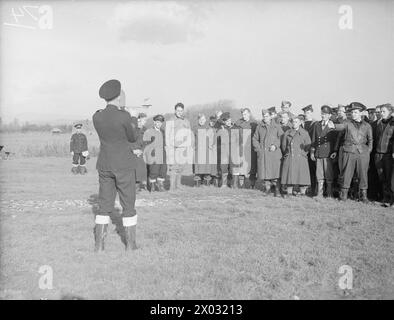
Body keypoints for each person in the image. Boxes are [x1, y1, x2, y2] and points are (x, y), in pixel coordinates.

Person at [92, 79, 139, 252]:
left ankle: (99, 246)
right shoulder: (124, 116)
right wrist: (133, 116)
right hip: (124, 165)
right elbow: (132, 137)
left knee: (104, 205)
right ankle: (131, 245)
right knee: (128, 204)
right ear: (119, 96)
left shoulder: (96, 116)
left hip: (104, 164)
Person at [329, 102, 373, 203]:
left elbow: (370, 140)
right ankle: (343, 196)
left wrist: (368, 152)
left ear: (361, 113)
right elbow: (340, 126)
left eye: (356, 112)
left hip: (363, 153)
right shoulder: (347, 124)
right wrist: (333, 126)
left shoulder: (367, 126)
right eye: (352, 112)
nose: (353, 114)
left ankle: (363, 196)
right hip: (349, 152)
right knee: (346, 174)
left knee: (363, 175)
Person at [252, 109, 283, 196]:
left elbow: (281, 138)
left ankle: (277, 190)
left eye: (267, 116)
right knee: (265, 173)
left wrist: (275, 145)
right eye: (263, 116)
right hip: (264, 154)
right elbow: (255, 139)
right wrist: (258, 149)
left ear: (270, 116)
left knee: (275, 172)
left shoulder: (277, 126)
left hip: (274, 154)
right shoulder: (259, 127)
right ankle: (267, 189)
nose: (265, 118)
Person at [280, 115, 311, 197]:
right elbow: (284, 146)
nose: (294, 123)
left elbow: (308, 145)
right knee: (290, 175)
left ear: (300, 123)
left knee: (302, 175)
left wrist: (303, 154)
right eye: (293, 122)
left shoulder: (304, 133)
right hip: (290, 156)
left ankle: (302, 192)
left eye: (296, 122)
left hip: (301, 157)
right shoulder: (287, 133)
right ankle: (289, 191)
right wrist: (287, 154)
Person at [310, 106, 337, 198]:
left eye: (325, 114)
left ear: (329, 115)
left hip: (328, 153)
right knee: (319, 174)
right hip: (318, 152)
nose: (323, 115)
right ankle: (320, 193)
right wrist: (312, 152)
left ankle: (329, 193)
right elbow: (313, 140)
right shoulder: (316, 125)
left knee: (328, 173)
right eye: (322, 114)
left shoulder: (332, 125)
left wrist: (335, 151)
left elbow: (335, 140)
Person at [165, 102, 193, 190]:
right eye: (178, 110)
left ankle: (178, 185)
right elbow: (167, 134)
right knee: (173, 167)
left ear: (183, 111)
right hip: (173, 147)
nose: (179, 112)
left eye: (181, 110)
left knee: (181, 167)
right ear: (175, 110)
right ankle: (172, 186)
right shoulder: (170, 120)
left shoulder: (186, 121)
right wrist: (168, 146)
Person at [373, 104, 394, 204]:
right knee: (382, 177)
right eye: (380, 111)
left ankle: (391, 199)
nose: (381, 113)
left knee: (390, 177)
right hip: (378, 154)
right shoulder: (379, 123)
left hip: (388, 155)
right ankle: (385, 198)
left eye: (383, 111)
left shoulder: (393, 123)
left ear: (390, 112)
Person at [234, 107, 258, 188]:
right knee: (242, 167)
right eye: (243, 114)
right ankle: (242, 184)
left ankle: (252, 185)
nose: (244, 116)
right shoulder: (239, 123)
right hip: (242, 148)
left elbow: (257, 136)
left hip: (251, 149)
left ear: (249, 114)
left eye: (245, 114)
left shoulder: (254, 124)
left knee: (252, 167)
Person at [193, 113, 217, 187]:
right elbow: (192, 139)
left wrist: (210, 146)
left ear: (205, 120)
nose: (201, 121)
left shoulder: (208, 128)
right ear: (198, 120)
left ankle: (207, 182)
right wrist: (194, 146)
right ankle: (198, 182)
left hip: (207, 151)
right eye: (200, 119)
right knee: (198, 167)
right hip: (198, 151)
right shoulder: (195, 128)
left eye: (203, 119)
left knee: (206, 167)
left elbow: (213, 138)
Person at [146, 114, 167, 192]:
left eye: (160, 122)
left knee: (163, 169)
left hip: (162, 152)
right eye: (157, 122)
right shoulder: (150, 131)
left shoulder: (163, 131)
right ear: (154, 122)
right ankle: (152, 186)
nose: (159, 124)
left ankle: (160, 185)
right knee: (154, 170)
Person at [131, 113, 148, 192]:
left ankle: (142, 185)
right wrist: (133, 150)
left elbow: (146, 142)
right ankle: (135, 186)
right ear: (139, 119)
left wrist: (142, 151)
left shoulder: (145, 130)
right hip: (133, 151)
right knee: (134, 169)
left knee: (142, 169)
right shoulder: (134, 129)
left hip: (141, 151)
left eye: (145, 120)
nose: (145, 121)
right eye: (144, 119)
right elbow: (130, 140)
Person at [302, 104, 316, 196]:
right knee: (303, 169)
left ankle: (313, 189)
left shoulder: (315, 123)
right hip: (302, 150)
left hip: (311, 150)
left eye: (308, 112)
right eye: (305, 112)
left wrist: (312, 151)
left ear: (311, 112)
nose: (306, 114)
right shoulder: (301, 123)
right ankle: (303, 188)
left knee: (312, 170)